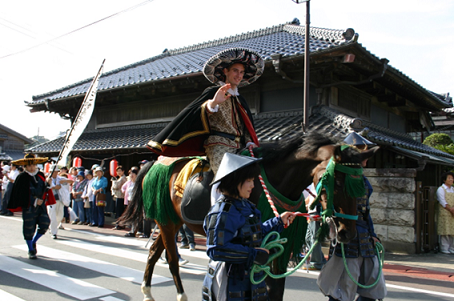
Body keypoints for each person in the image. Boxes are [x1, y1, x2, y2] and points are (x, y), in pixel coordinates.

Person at [148, 48, 263, 175]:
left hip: (240, 146)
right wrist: (213, 103)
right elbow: (196, 113)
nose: (239, 75)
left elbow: (246, 127)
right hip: (218, 145)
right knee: (226, 179)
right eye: (235, 70)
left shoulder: (240, 100)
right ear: (225, 71)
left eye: (241, 72)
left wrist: (249, 142)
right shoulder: (212, 92)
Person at [202, 153, 294, 301]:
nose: (253, 185)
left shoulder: (245, 205)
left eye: (253, 180)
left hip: (250, 281)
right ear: (235, 181)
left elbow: (253, 233)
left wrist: (278, 222)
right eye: (249, 181)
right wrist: (253, 254)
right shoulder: (222, 212)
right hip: (229, 282)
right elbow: (216, 249)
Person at [317, 132, 386, 301]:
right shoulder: (334, 177)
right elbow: (324, 201)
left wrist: (372, 234)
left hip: (364, 236)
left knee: (372, 284)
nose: (365, 157)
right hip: (345, 234)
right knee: (343, 286)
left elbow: (365, 211)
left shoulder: (363, 180)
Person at [7, 153, 52, 259]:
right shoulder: (22, 177)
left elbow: (44, 190)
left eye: (33, 165)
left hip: (41, 206)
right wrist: (34, 201)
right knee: (29, 228)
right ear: (25, 166)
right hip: (28, 206)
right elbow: (20, 194)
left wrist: (48, 185)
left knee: (45, 224)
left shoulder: (40, 175)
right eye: (29, 166)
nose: (32, 168)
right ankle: (31, 250)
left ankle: (33, 242)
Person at [302, 183, 326, 271]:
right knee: (308, 238)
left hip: (316, 211)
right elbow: (310, 198)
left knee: (314, 238)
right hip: (311, 211)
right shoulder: (313, 183)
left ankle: (316, 263)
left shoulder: (319, 181)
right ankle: (321, 259)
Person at [48, 166, 72, 239]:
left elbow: (71, 181)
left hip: (60, 199)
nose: (55, 173)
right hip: (50, 200)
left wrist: (65, 181)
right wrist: (54, 187)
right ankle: (54, 232)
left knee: (60, 216)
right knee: (53, 217)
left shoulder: (60, 178)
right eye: (53, 172)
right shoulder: (48, 179)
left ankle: (53, 227)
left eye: (56, 172)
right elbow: (46, 186)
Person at [436, 171, 454, 254]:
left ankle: (452, 248)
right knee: (445, 230)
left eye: (452, 178)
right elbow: (442, 201)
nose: (451, 179)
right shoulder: (441, 189)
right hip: (445, 211)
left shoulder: (453, 189)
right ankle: (444, 248)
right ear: (444, 180)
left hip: (453, 211)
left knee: (452, 230)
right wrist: (451, 209)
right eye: (449, 178)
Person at [122, 167, 139, 237]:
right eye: (130, 174)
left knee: (135, 216)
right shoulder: (129, 182)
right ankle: (132, 230)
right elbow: (123, 188)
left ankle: (134, 230)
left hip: (136, 201)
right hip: (130, 200)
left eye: (133, 174)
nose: (131, 175)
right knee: (131, 215)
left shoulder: (138, 183)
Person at [111, 165, 127, 230]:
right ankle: (120, 224)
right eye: (118, 171)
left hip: (121, 197)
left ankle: (119, 225)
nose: (119, 172)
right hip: (118, 196)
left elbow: (117, 186)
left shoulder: (123, 178)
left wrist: (113, 182)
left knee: (119, 212)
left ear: (123, 171)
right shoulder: (119, 178)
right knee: (118, 211)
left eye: (120, 171)